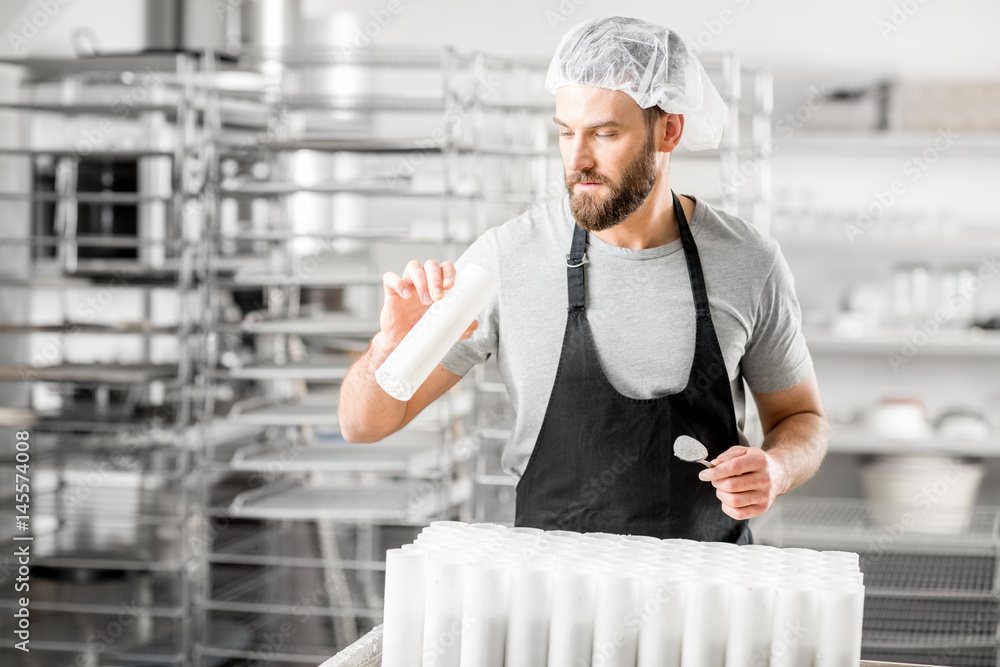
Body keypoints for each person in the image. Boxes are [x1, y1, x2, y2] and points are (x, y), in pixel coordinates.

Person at [339, 16, 828, 543]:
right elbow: (363, 425)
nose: (578, 160)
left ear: (669, 130)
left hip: (704, 598)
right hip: (552, 600)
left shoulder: (748, 262)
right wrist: (386, 350)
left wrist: (777, 468)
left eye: (605, 133)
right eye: (566, 132)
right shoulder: (506, 258)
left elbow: (802, 418)